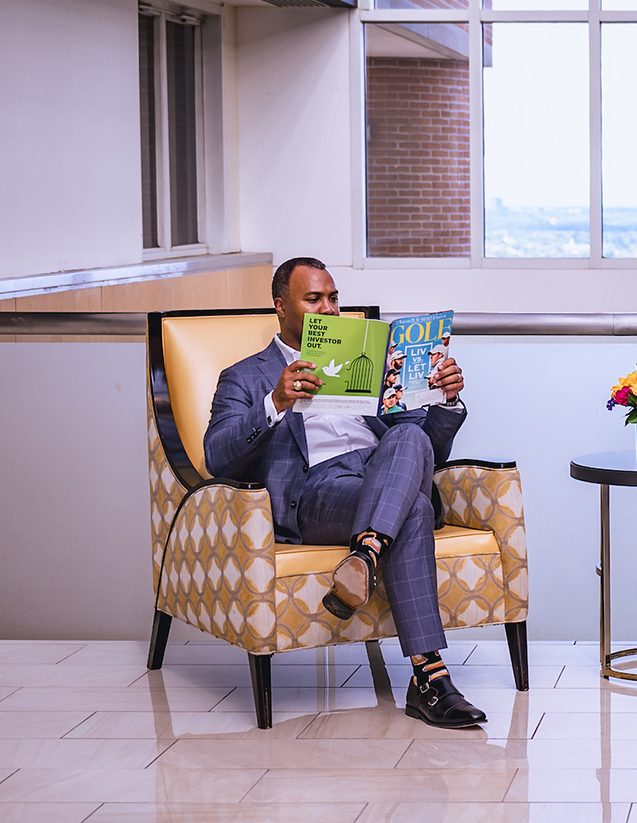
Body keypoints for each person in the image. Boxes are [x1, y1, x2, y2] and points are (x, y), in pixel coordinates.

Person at [204, 256, 487, 728]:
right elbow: (217, 457)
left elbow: (427, 449)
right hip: (318, 492)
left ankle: (365, 556)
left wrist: (445, 399)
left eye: (333, 298)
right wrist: (276, 401)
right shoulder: (247, 375)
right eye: (313, 298)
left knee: (409, 436)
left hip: (381, 474)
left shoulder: (372, 362)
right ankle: (430, 682)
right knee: (414, 509)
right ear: (281, 306)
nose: (329, 308)